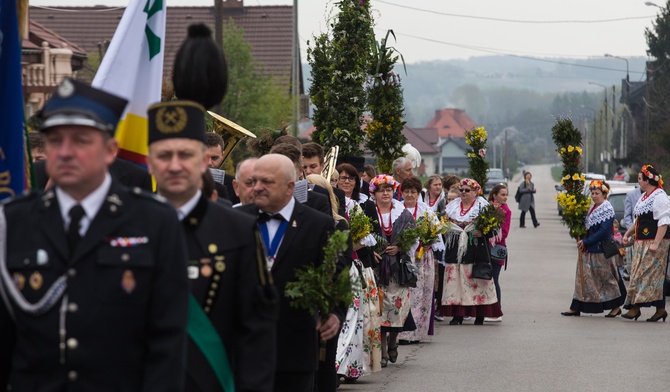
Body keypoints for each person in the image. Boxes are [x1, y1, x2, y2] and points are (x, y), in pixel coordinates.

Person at [0, 79, 189, 391]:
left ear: (111, 150)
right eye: (54, 140)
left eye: (81, 140)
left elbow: (167, 340)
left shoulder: (153, 221)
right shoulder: (13, 220)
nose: (65, 152)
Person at [146, 100, 277, 392]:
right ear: (150, 161)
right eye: (164, 155)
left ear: (204, 161)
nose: (175, 165)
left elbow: (257, 329)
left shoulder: (238, 230)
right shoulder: (125, 227)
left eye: (186, 154)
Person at [238, 154, 339, 392]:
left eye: (268, 182)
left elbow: (333, 277)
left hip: (295, 349)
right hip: (243, 348)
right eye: (254, 181)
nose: (258, 188)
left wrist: (334, 312)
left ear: (290, 187)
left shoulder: (318, 225)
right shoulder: (236, 220)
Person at [363, 175, 415, 368]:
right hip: (377, 269)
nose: (385, 193)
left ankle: (393, 342)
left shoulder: (403, 213)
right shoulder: (367, 212)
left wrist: (400, 247)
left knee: (397, 308)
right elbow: (361, 236)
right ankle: (383, 351)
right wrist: (371, 251)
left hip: (398, 269)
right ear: (374, 193)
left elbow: (414, 238)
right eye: (381, 190)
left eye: (389, 190)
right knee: (380, 310)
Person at [440, 178, 502, 325]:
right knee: (456, 283)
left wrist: (483, 233)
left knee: (476, 284)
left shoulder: (483, 206)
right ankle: (457, 315)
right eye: (461, 190)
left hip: (476, 251)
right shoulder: (452, 206)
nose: (463, 192)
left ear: (476, 192)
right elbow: (443, 225)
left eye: (467, 190)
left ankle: (480, 314)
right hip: (455, 250)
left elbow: (494, 228)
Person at [561, 180, 624, 318]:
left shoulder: (607, 208)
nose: (594, 196)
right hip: (589, 249)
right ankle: (576, 306)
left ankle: (616, 306)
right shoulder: (592, 208)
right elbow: (589, 228)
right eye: (592, 193)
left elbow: (604, 231)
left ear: (604, 194)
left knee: (606, 278)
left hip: (602, 250)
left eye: (597, 193)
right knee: (583, 278)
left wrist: (586, 240)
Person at [398, 176, 444, 344]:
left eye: (413, 192)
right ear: (402, 193)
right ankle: (401, 333)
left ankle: (416, 333)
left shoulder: (426, 211)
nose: (410, 195)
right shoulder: (397, 209)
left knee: (420, 294)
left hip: (422, 257)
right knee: (404, 294)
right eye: (407, 192)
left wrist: (427, 242)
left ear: (418, 194)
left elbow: (437, 233)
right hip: (403, 257)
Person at [621, 165, 670, 322]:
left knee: (646, 275)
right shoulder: (645, 197)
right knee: (641, 274)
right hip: (642, 242)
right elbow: (639, 221)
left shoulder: (660, 197)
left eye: (640, 179)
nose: (639, 182)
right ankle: (660, 309)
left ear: (648, 181)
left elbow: (664, 222)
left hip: (655, 243)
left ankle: (635, 308)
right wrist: (628, 234)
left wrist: (656, 243)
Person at [486, 184, 511, 322]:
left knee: (494, 278)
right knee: (484, 278)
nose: (505, 197)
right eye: (502, 194)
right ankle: (485, 309)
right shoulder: (488, 208)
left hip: (497, 249)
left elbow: (505, 233)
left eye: (506, 194)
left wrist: (490, 237)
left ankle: (496, 312)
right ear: (494, 195)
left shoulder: (506, 211)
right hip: (484, 248)